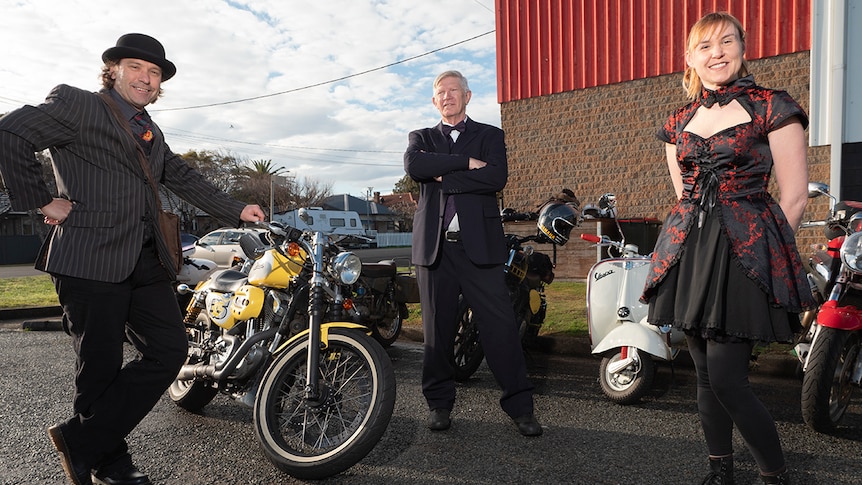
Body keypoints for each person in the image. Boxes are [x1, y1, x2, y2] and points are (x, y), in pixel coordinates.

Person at [0, 33, 265, 485]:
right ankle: (111, 463)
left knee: (169, 351)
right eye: (137, 68)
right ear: (114, 70)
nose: (147, 79)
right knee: (99, 363)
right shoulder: (77, 103)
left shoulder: (149, 128)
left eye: (155, 73)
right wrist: (43, 200)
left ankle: (81, 440)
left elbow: (180, 174)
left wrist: (238, 209)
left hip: (145, 257)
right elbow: (10, 131)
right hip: (89, 254)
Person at [640, 12, 813, 485]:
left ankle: (774, 475)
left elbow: (794, 196)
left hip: (746, 253)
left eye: (726, 41)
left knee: (726, 379)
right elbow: (683, 195)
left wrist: (764, 257)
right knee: (702, 375)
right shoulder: (679, 121)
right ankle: (721, 472)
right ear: (690, 58)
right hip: (691, 251)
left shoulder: (771, 106)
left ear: (742, 46)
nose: (716, 52)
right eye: (704, 46)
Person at [403, 70, 542, 437]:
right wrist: (466, 164)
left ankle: (520, 406)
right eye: (440, 92)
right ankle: (439, 405)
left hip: (479, 248)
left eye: (453, 91)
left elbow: (496, 178)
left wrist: (442, 175)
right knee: (437, 331)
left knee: (500, 328)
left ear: (467, 96)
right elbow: (415, 167)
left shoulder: (490, 136)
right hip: (434, 251)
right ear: (434, 101)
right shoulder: (422, 137)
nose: (447, 96)